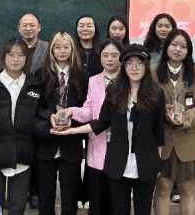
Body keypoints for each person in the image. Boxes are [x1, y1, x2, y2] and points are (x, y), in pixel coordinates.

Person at [51, 44, 166, 215]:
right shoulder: (114, 90)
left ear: (146, 65)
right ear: (123, 66)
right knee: (118, 209)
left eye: (139, 63)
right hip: (118, 162)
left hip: (146, 163)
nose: (134, 68)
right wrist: (72, 131)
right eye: (129, 63)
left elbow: (159, 132)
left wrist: (157, 163)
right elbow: (101, 122)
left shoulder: (156, 94)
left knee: (143, 209)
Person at [0, 38, 50, 215]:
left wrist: (51, 126)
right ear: (4, 57)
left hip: (23, 158)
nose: (16, 59)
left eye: (21, 55)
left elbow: (40, 118)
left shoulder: (34, 86)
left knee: (17, 209)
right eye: (11, 54)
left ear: (27, 58)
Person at [53, 38, 124, 215]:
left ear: (121, 57)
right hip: (98, 143)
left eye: (114, 55)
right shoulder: (94, 80)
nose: (109, 59)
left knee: (117, 200)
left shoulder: (128, 80)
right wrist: (72, 111)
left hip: (121, 144)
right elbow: (89, 110)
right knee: (97, 200)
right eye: (105, 55)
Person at [151, 29, 195, 215]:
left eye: (183, 46)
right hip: (162, 141)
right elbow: (145, 103)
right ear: (166, 47)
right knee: (162, 188)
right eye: (174, 45)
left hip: (188, 140)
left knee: (187, 190)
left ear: (188, 51)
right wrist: (163, 112)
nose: (178, 49)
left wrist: (184, 119)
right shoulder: (152, 72)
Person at [35, 31, 89, 215]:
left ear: (73, 49)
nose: (62, 51)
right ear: (51, 50)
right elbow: (36, 107)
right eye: (57, 47)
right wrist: (49, 116)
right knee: (45, 197)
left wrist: (73, 120)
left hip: (71, 142)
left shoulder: (83, 76)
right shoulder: (41, 74)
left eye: (66, 47)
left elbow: (87, 108)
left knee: (70, 196)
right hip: (46, 142)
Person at [18, 12, 49, 208]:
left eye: (32, 25)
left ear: (39, 27)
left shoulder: (48, 48)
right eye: (25, 25)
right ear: (19, 28)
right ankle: (21, 192)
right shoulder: (13, 48)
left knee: (38, 152)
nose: (28, 28)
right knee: (22, 150)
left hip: (41, 104)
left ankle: (36, 192)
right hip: (18, 106)